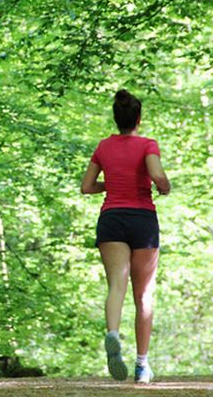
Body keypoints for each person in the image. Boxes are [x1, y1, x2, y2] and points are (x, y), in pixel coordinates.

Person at [80, 89, 171, 384]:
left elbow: (87, 186)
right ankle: (142, 365)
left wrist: (113, 184)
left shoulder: (103, 147)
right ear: (138, 119)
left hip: (112, 220)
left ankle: (113, 335)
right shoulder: (147, 144)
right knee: (143, 294)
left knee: (116, 286)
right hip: (142, 220)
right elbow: (157, 175)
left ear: (116, 118)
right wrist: (164, 186)